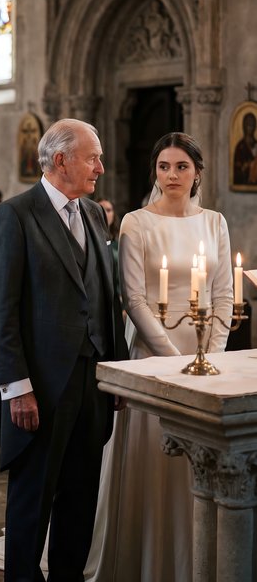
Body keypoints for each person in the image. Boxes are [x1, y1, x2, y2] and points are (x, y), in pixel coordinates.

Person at [0, 118, 128, 582]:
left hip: (92, 383)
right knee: (32, 503)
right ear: (61, 159)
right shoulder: (16, 216)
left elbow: (107, 298)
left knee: (81, 498)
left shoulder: (93, 214)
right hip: (41, 388)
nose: (100, 167)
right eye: (93, 157)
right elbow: (0, 310)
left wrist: (116, 374)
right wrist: (16, 388)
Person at [86, 132, 233, 582]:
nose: (172, 175)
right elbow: (134, 299)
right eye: (164, 166)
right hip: (153, 357)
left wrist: (213, 351)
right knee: (157, 460)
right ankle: (147, 560)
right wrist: (173, 363)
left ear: (197, 174)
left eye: (181, 167)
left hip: (207, 355)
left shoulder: (215, 222)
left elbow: (224, 293)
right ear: (155, 171)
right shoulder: (136, 222)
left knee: (201, 460)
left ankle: (198, 560)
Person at [233, 112, 257, 185]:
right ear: (244, 126)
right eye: (248, 124)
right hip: (244, 179)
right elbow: (237, 168)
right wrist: (246, 166)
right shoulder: (240, 146)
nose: (250, 127)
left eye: (252, 124)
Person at [96, 198, 120, 267]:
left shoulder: (120, 239)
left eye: (108, 210)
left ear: (113, 214)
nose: (104, 213)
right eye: (100, 209)